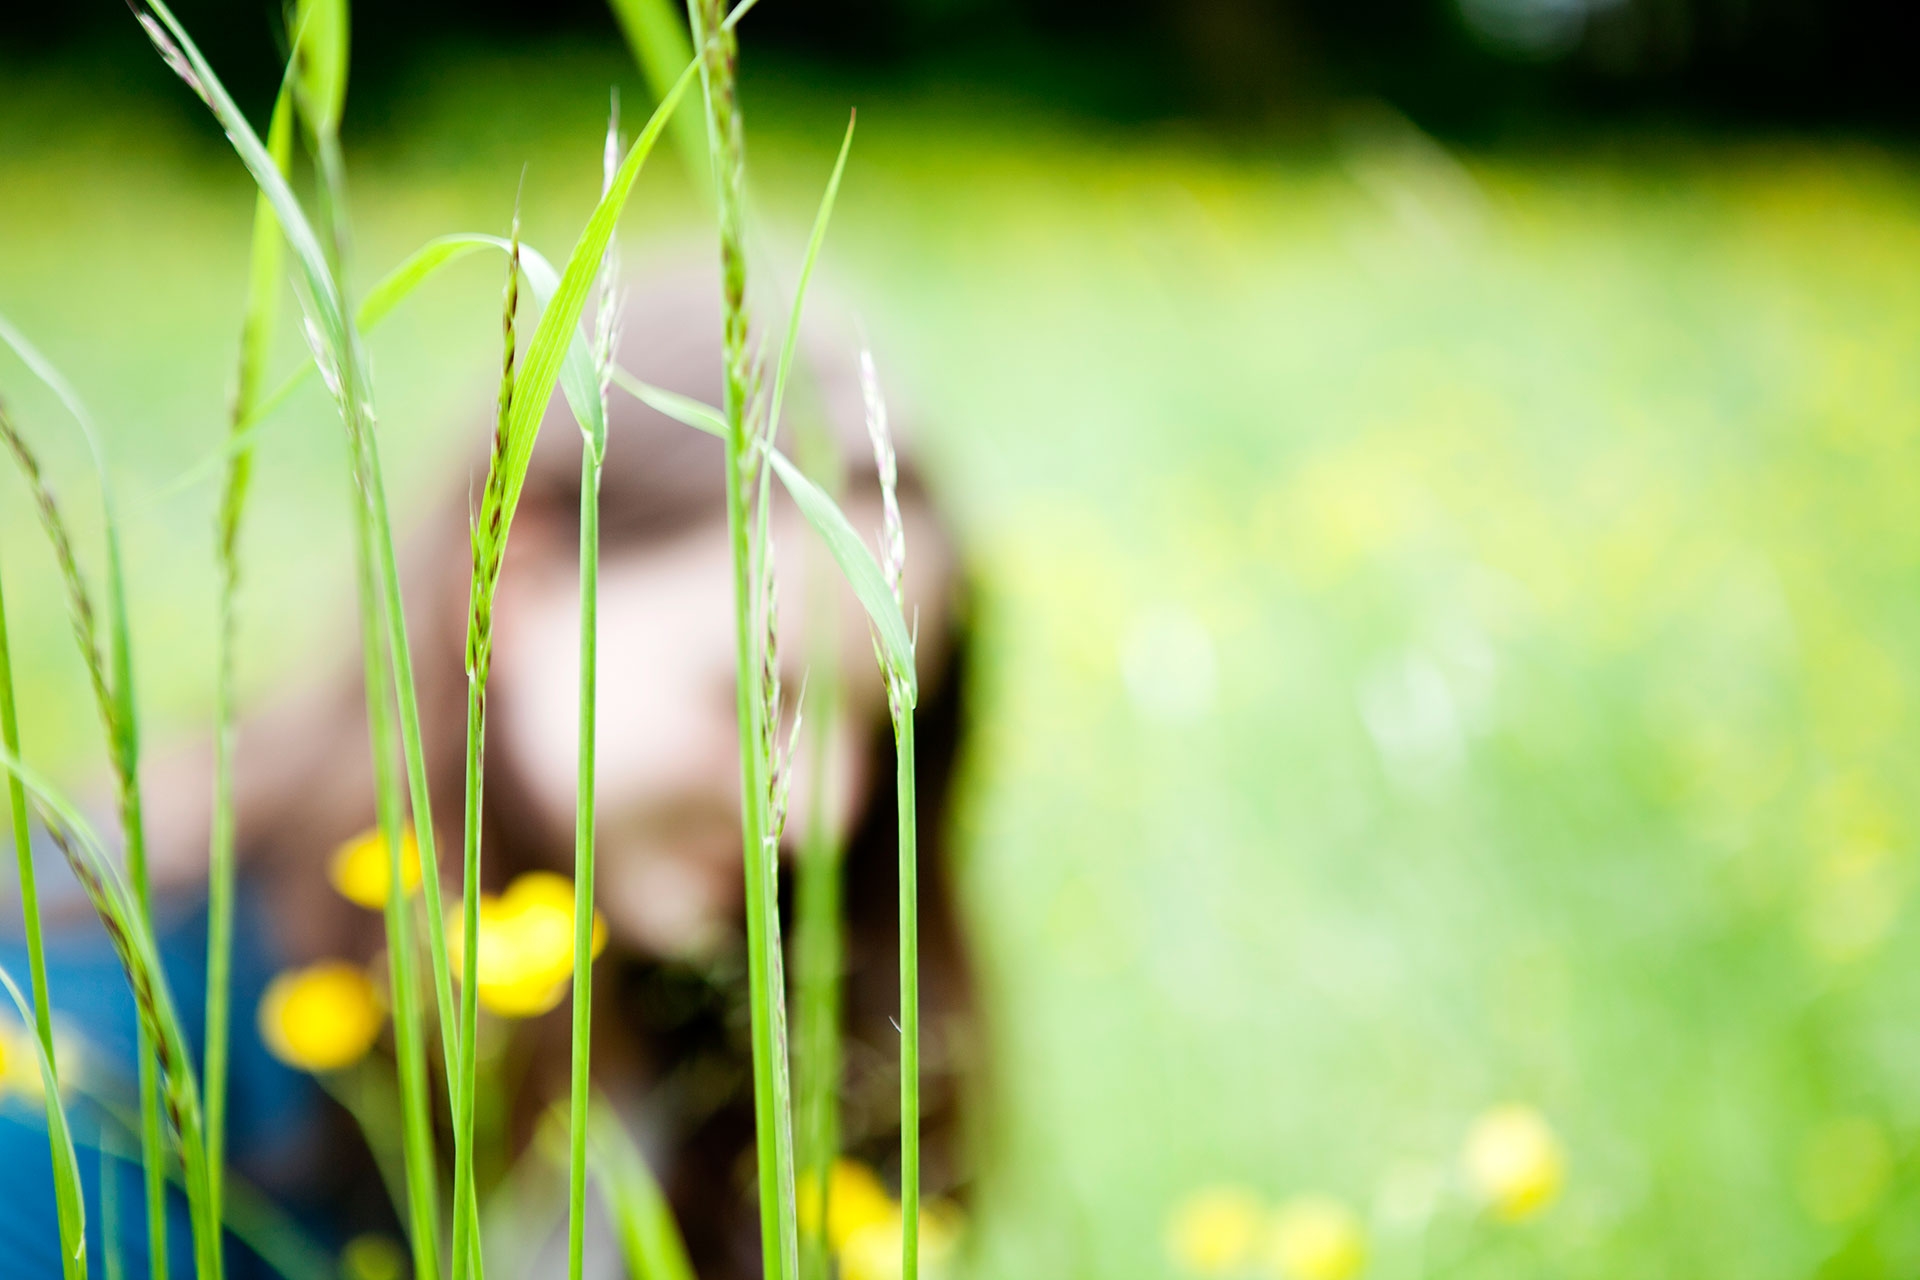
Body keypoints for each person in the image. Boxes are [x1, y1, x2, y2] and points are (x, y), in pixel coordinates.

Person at [1, 262, 973, 1278]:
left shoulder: (735, 1027)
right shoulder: (83, 1028)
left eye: (878, 728)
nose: (827, 811)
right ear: (520, 575)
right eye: (756, 695)